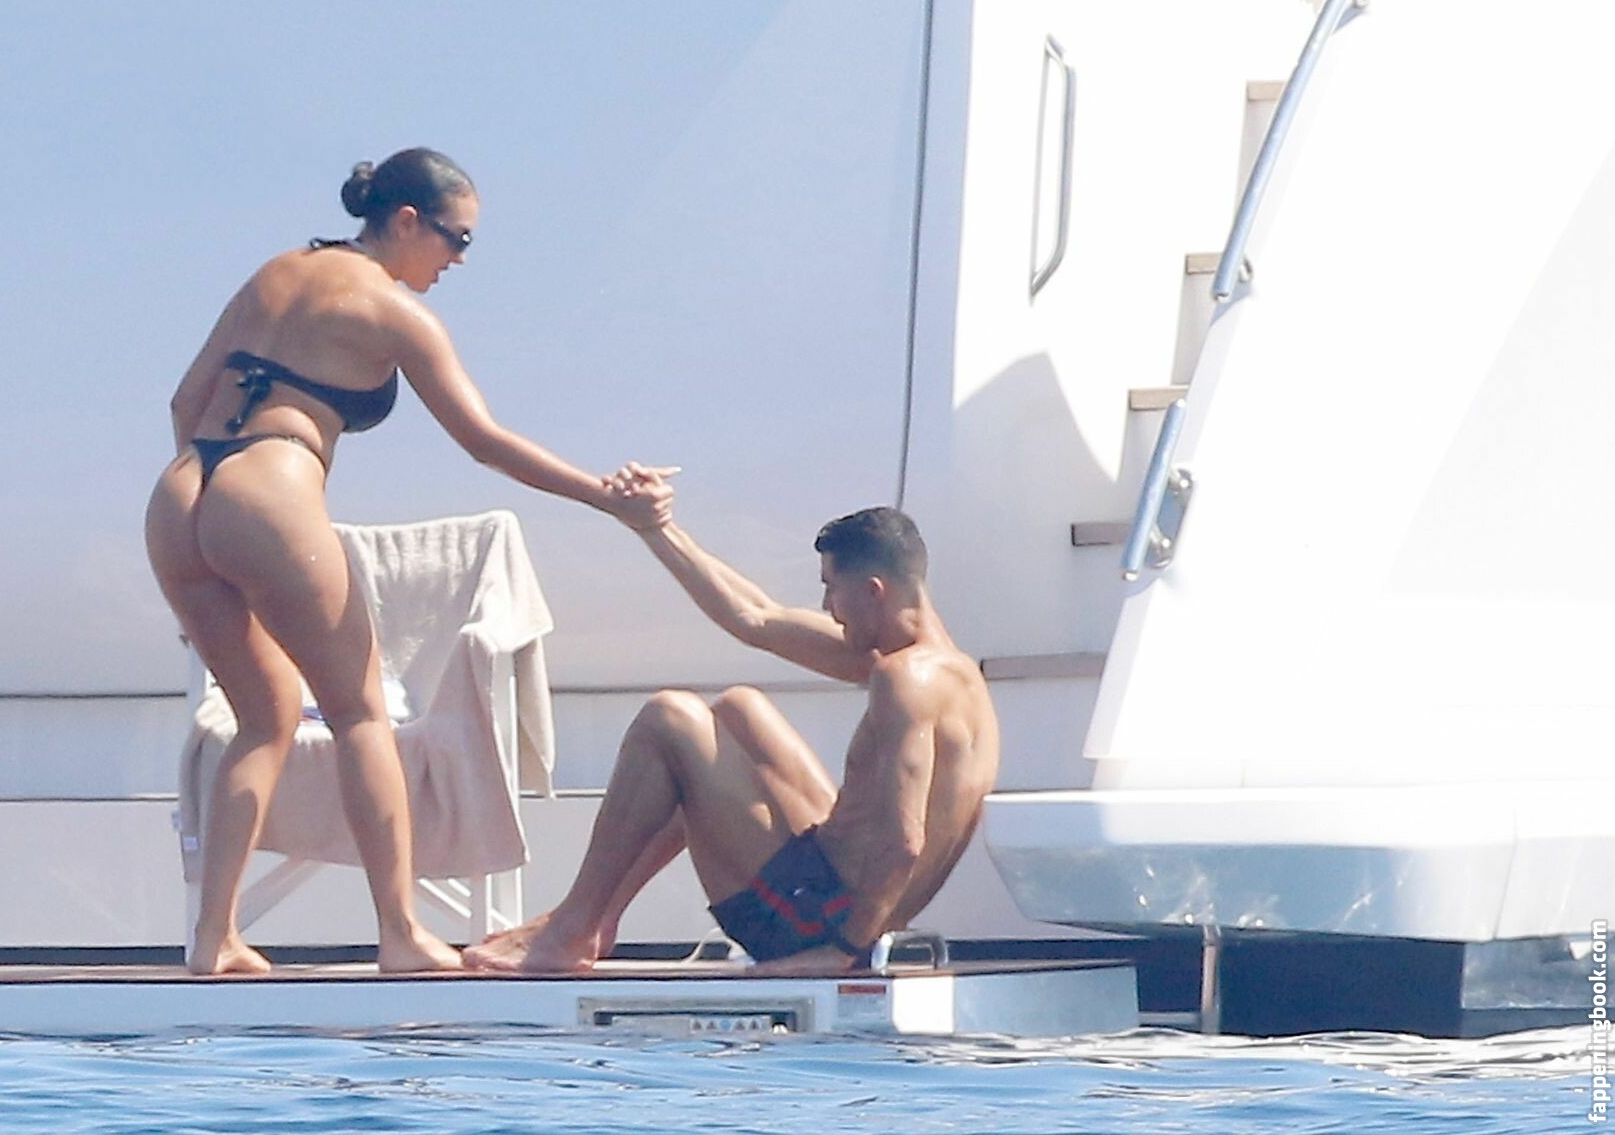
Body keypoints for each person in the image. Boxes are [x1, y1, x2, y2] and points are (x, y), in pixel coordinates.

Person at [145, 148, 670, 975]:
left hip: (181, 494)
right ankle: (400, 933)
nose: (458, 261)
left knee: (262, 717)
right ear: (406, 221)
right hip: (270, 489)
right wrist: (605, 497)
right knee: (359, 715)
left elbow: (185, 400)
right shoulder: (395, 313)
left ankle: (212, 940)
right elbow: (484, 441)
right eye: (457, 240)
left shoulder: (276, 272)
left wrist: (217, 512)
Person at [464, 490, 998, 974]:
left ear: (873, 591)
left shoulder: (902, 680)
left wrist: (840, 952)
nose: (826, 609)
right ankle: (594, 920)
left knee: (669, 719)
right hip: (838, 897)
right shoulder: (951, 675)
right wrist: (655, 528)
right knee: (742, 712)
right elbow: (755, 617)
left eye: (831, 589)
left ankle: (572, 927)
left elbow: (904, 841)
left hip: (819, 925)